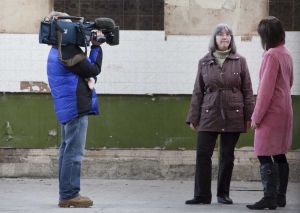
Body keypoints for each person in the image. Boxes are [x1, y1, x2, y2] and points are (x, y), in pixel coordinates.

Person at [185, 23, 254, 205]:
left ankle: (223, 194)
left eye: (228, 34)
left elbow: (247, 90)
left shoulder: (240, 60)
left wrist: (249, 115)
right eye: (221, 34)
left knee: (227, 155)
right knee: (202, 154)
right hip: (209, 113)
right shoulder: (204, 62)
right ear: (214, 39)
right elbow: (198, 91)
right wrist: (193, 117)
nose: (225, 37)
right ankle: (202, 195)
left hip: (234, 113)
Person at [46, 11, 103, 208]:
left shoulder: (58, 49)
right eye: (72, 26)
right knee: (74, 153)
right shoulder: (68, 52)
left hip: (68, 107)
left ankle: (66, 193)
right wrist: (96, 46)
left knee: (66, 151)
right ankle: (70, 194)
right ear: (64, 30)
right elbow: (93, 69)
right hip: (75, 108)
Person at [246, 16, 293, 210]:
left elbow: (265, 91)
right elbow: (289, 82)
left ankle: (269, 198)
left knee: (263, 153)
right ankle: (280, 197)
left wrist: (256, 118)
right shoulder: (286, 52)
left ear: (265, 36)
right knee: (280, 154)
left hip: (271, 113)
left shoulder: (271, 55)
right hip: (285, 109)